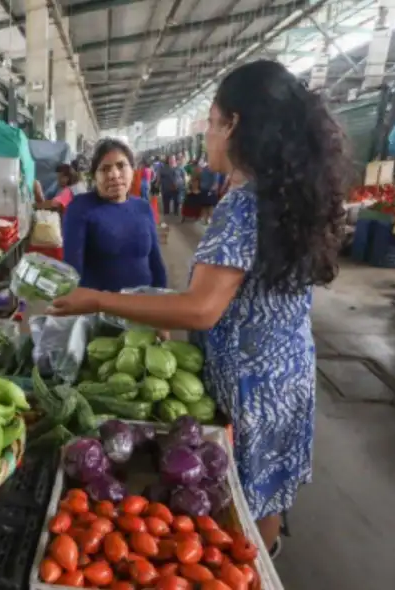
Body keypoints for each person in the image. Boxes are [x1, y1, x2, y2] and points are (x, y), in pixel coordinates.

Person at [49, 60, 349, 555]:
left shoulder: (244, 202)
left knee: (239, 505)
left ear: (234, 126)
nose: (207, 134)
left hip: (250, 385)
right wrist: (146, 301)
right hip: (287, 372)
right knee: (267, 495)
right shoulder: (290, 194)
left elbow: (203, 310)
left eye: (211, 122)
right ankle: (264, 566)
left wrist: (99, 299)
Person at [62, 138, 168, 292]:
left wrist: (162, 297)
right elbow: (72, 270)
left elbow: (155, 262)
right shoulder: (80, 208)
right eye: (104, 169)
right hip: (100, 312)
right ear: (94, 175)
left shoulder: (143, 207)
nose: (114, 174)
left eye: (121, 166)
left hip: (144, 307)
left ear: (132, 170)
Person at [159, 154, 187, 219]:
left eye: (173, 159)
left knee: (176, 201)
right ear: (168, 160)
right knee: (166, 201)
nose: (171, 160)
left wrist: (184, 185)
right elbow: (160, 177)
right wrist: (158, 183)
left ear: (175, 160)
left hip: (177, 189)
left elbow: (184, 177)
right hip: (166, 189)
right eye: (170, 159)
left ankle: (176, 212)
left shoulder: (180, 168)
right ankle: (166, 213)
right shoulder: (164, 169)